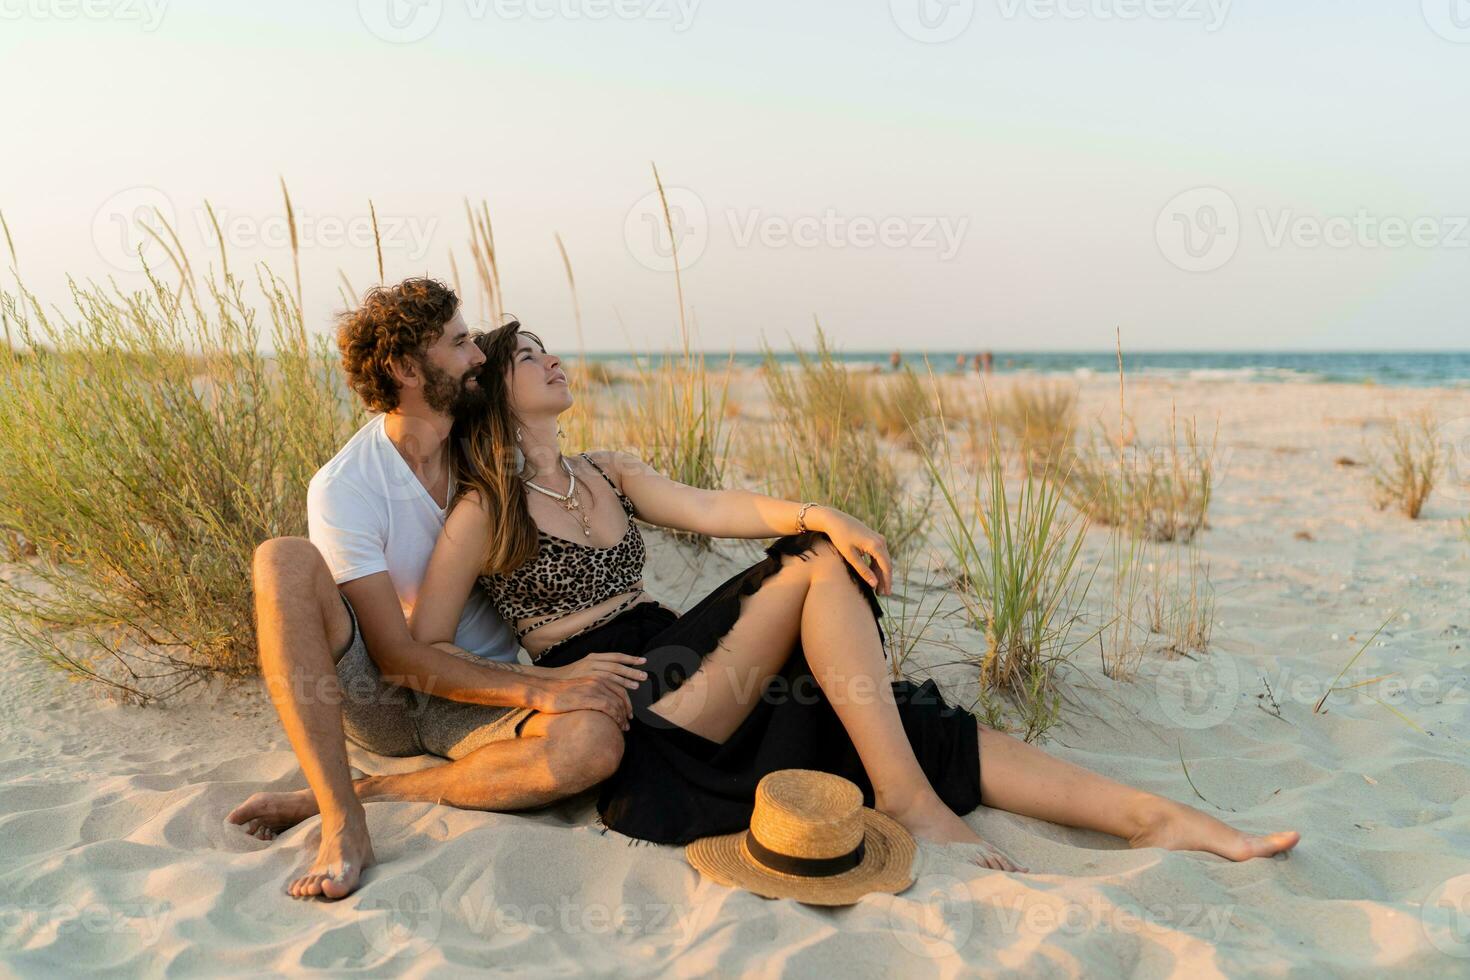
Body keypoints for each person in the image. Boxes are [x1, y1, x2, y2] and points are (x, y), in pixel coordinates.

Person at [409, 321, 1302, 869]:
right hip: (639, 713)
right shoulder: (483, 513)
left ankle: (1157, 820)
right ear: (494, 392)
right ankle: (909, 801)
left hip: (691, 660)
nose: (554, 359)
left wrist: (816, 505)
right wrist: (544, 690)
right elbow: (424, 654)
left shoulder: (607, 470)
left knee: (912, 720)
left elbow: (716, 509)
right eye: (529, 356)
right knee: (812, 563)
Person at [227, 279, 644, 900]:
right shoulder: (347, 485)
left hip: (474, 690)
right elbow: (396, 657)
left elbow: (562, 463)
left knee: (592, 745)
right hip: (380, 692)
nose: (478, 355)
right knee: (281, 558)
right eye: (458, 343)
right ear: (404, 368)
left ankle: (369, 790)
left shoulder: (487, 445)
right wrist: (547, 684)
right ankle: (342, 818)